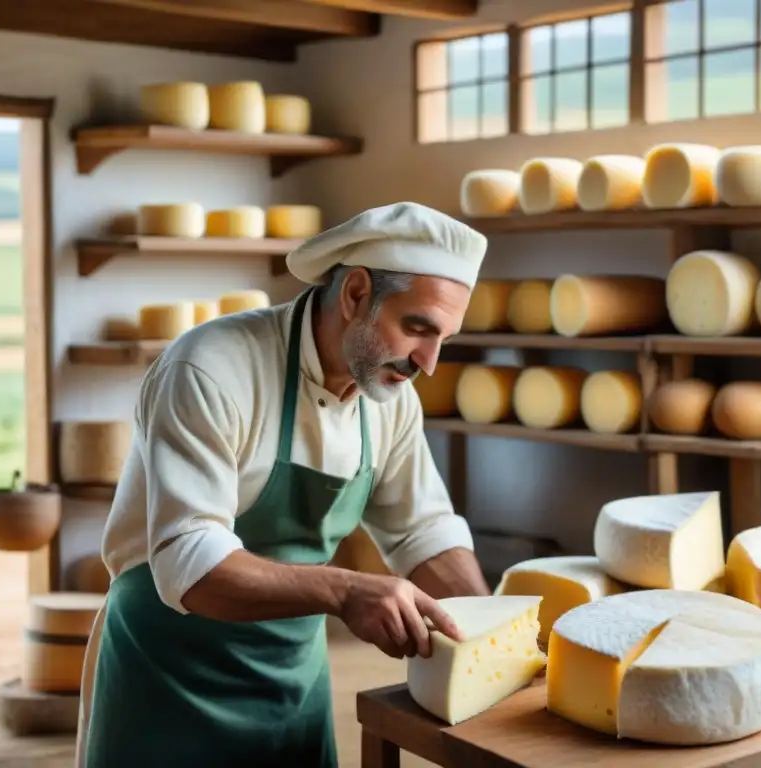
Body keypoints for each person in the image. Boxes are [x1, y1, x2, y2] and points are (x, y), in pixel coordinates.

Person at [75, 202, 493, 767]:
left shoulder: (391, 403)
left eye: (443, 337)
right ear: (355, 294)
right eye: (417, 328)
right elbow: (190, 563)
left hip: (290, 682)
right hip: (167, 673)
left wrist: (497, 633)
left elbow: (424, 533)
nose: (430, 361)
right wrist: (346, 591)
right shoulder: (210, 368)